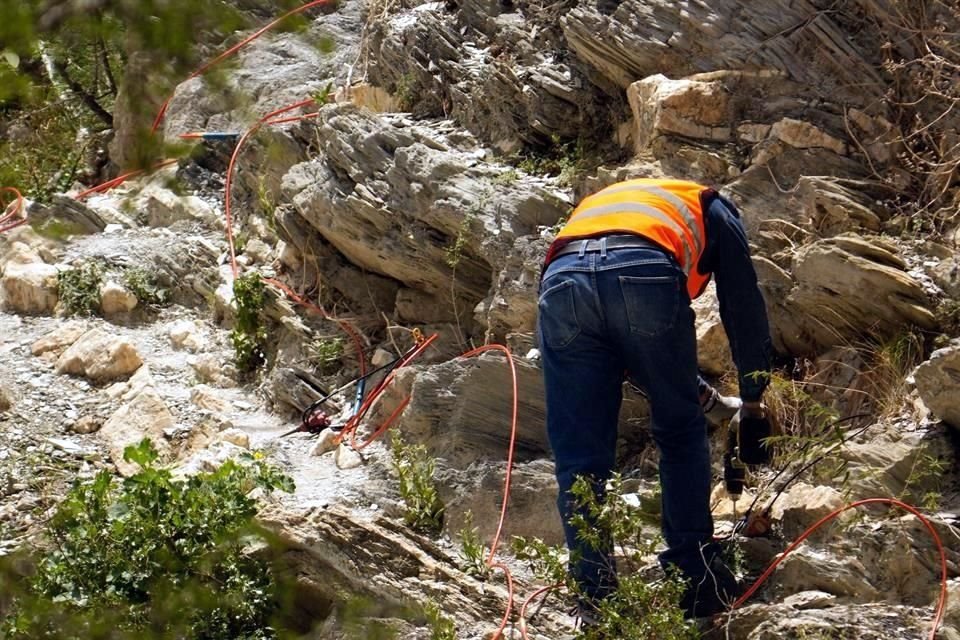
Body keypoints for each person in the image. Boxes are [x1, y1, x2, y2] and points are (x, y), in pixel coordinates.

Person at [536, 177, 773, 623]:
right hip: (643, 271)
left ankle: (595, 597)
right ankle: (695, 580)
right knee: (679, 432)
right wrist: (755, 398)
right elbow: (742, 304)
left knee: (579, 457)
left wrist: (708, 398)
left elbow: (616, 339)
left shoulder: (607, 203)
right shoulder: (713, 205)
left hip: (561, 282)